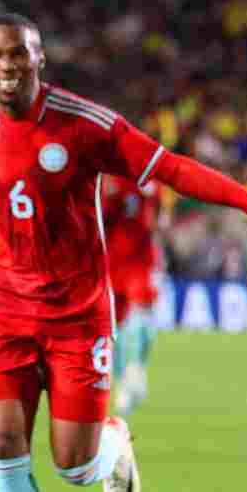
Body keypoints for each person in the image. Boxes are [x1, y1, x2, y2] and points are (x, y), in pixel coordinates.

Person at [0, 14, 247, 492]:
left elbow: (170, 168)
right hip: (4, 309)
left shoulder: (84, 124)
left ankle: (115, 445)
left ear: (39, 59)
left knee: (75, 468)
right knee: (4, 438)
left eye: (18, 53)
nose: (6, 64)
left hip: (77, 314)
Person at [100, 175, 160, 415]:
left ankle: (137, 369)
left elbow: (153, 221)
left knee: (142, 315)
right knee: (112, 328)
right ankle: (123, 382)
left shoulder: (148, 180)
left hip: (139, 261)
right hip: (108, 263)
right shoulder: (105, 178)